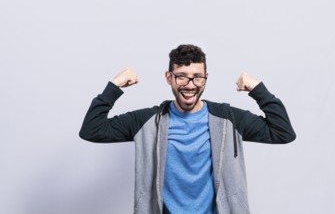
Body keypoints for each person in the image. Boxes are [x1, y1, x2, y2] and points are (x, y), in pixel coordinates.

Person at [79, 44, 296, 214]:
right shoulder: (147, 121)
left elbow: (282, 132)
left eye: (197, 77)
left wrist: (257, 89)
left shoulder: (228, 119)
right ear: (169, 78)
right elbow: (92, 129)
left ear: (205, 79)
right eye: (182, 76)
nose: (190, 85)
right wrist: (114, 86)